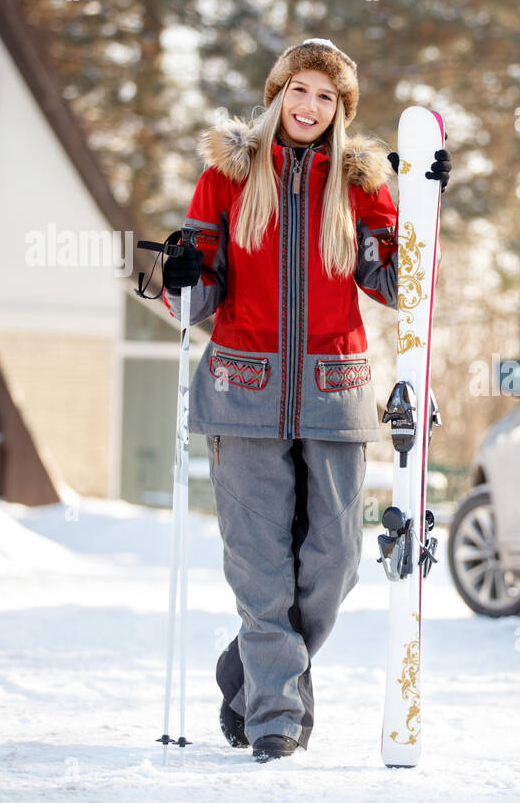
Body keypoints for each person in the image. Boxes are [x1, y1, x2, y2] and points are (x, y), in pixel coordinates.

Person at [159, 38, 451, 761]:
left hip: (336, 392)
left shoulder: (360, 183)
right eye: (299, 91)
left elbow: (395, 287)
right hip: (244, 394)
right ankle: (274, 723)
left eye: (326, 96)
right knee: (260, 570)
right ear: (276, 94)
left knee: (336, 561)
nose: (310, 107)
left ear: (340, 109)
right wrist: (183, 270)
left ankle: (248, 669)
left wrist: (423, 206)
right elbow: (192, 303)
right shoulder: (227, 177)